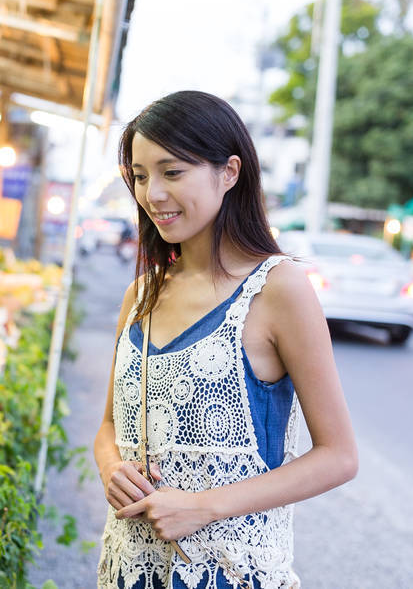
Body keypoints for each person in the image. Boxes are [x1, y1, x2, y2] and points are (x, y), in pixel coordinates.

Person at [94, 91, 357, 589]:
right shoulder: (141, 293)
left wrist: (202, 506)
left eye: (172, 172)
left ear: (229, 172)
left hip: (232, 575)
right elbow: (109, 425)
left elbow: (339, 456)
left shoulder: (278, 288)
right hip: (129, 569)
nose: (153, 194)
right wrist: (111, 467)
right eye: (141, 176)